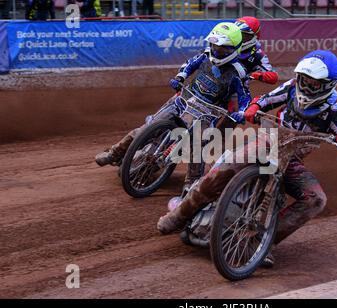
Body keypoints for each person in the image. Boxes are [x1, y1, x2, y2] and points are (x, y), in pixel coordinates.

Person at [157, 50, 337, 267]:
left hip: (291, 160)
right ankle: (179, 215)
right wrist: (254, 108)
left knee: (316, 199)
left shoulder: (335, 111)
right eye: (305, 79)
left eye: (314, 83)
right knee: (225, 167)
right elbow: (264, 100)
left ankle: (261, 243)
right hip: (266, 142)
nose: (307, 85)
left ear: (328, 85)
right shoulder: (291, 88)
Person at [95, 22, 251, 189]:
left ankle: (192, 185)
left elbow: (245, 97)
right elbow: (189, 64)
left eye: (221, 48)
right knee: (148, 127)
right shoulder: (205, 55)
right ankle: (114, 153)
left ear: (232, 48)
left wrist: (242, 112)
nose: (216, 50)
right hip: (182, 101)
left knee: (197, 148)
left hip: (206, 113)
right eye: (214, 46)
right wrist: (180, 78)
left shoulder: (238, 72)